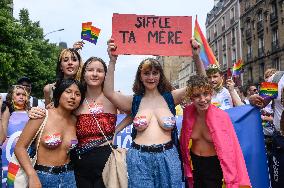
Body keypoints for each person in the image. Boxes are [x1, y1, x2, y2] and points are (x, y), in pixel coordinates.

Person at [103, 39, 187, 187]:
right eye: (146, 73)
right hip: (139, 157)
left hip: (168, 156)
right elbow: (109, 92)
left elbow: (200, 84)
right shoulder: (134, 101)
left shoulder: (170, 98)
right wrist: (112, 61)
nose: (151, 77)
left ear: (160, 75)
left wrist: (196, 56)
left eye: (155, 73)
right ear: (140, 77)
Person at [180, 75, 251, 188]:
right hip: (195, 166)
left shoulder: (222, 116)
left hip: (214, 167)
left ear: (211, 94)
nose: (203, 99)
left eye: (206, 94)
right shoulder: (188, 113)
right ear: (191, 97)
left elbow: (233, 150)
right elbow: (183, 142)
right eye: (197, 95)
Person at [14, 79, 85, 188]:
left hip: (69, 177)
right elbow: (19, 148)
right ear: (59, 93)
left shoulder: (76, 121)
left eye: (78, 94)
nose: (73, 97)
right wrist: (32, 175)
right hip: (43, 178)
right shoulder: (41, 116)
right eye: (68, 91)